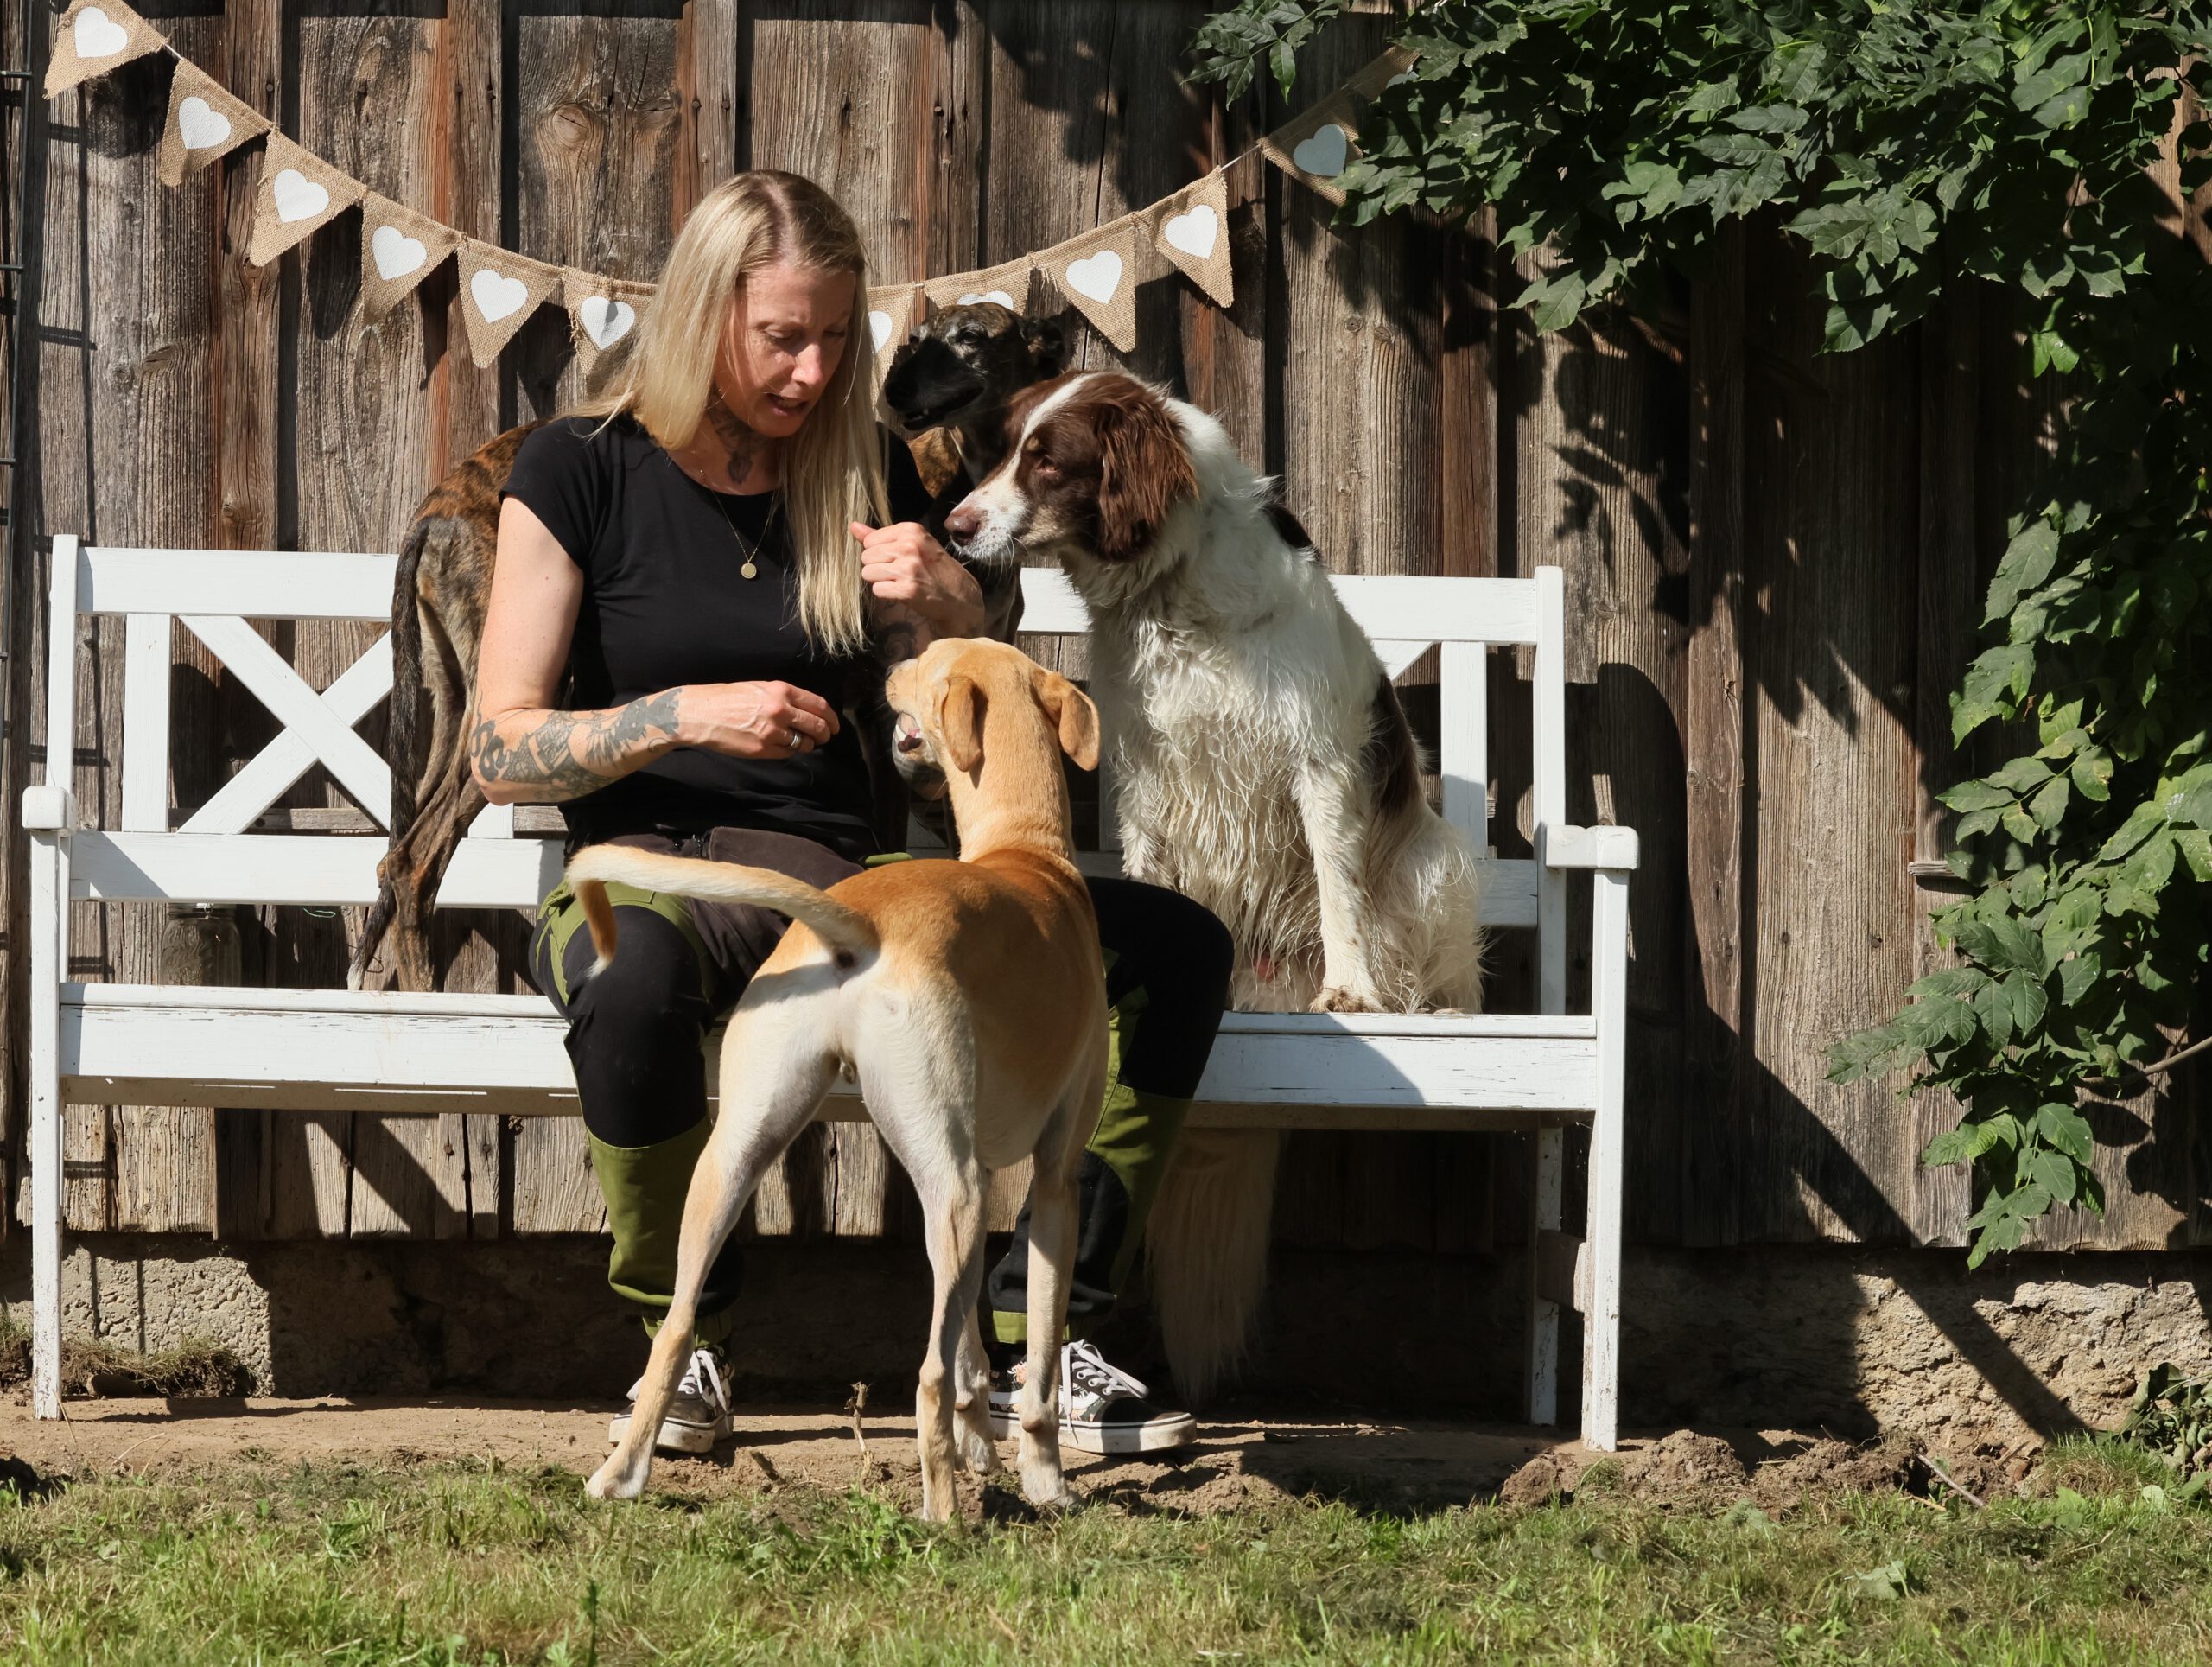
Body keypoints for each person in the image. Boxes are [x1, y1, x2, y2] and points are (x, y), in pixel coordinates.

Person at [468, 170, 1233, 1459]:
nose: (816, 370)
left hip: (847, 889)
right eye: (783, 336)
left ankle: (1043, 1328)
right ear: (703, 312)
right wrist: (678, 717)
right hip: (641, 872)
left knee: (1174, 951)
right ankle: (685, 1338)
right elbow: (499, 747)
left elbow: (945, 744)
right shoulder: (577, 469)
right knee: (628, 978)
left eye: (836, 336)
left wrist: (959, 613)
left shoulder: (863, 473)